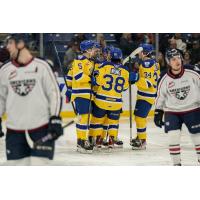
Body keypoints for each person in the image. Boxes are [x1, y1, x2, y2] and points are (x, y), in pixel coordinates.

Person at [0, 34, 63, 165]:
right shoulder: (5, 70)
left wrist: (55, 118)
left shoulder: (42, 66)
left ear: (21, 44)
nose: (7, 47)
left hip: (41, 129)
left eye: (10, 43)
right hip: (14, 132)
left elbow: (54, 94)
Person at [154, 48, 200, 166]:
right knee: (173, 138)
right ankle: (177, 165)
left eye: (179, 58)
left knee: (197, 138)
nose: (177, 61)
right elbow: (160, 96)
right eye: (173, 59)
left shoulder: (192, 71)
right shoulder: (163, 78)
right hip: (172, 111)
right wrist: (158, 112)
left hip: (192, 109)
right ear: (168, 61)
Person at [88, 47, 132, 149]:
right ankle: (111, 141)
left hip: (101, 100)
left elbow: (98, 82)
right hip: (116, 102)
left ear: (110, 56)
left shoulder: (104, 66)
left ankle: (98, 140)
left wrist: (94, 76)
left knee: (97, 121)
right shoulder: (125, 70)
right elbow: (125, 87)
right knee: (113, 122)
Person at [70, 40, 99, 153]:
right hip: (81, 93)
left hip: (86, 94)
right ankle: (82, 141)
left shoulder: (89, 61)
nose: (95, 50)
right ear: (87, 50)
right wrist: (90, 79)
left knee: (84, 118)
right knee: (83, 118)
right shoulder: (80, 60)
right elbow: (78, 76)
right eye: (93, 48)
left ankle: (81, 141)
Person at [130, 43, 160, 150]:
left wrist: (136, 78)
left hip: (146, 95)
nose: (138, 54)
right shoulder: (153, 62)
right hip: (147, 95)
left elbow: (148, 83)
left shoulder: (147, 63)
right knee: (139, 117)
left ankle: (142, 141)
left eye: (140, 52)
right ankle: (140, 136)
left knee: (139, 118)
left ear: (144, 53)